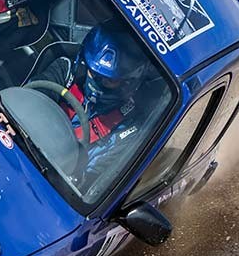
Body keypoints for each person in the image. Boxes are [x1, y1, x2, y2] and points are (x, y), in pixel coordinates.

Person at [31, 19, 154, 184]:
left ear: (127, 83)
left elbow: (92, 179)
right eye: (93, 73)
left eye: (108, 80)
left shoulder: (129, 127)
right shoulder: (65, 71)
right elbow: (29, 102)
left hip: (50, 181)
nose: (96, 82)